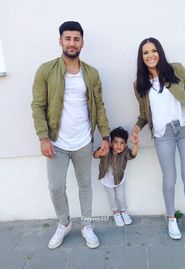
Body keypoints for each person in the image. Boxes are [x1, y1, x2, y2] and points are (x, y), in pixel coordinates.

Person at [31, 21, 110, 249]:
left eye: (76, 39)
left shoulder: (92, 73)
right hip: (56, 142)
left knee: (85, 184)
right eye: (68, 38)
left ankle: (87, 225)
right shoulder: (46, 70)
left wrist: (105, 136)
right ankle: (64, 223)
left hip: (84, 140)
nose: (72, 43)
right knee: (56, 186)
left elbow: (100, 106)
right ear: (60, 41)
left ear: (82, 43)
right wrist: (43, 137)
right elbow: (38, 106)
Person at [130, 37, 185, 240]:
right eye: (145, 53)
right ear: (141, 58)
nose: (150, 55)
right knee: (169, 178)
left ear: (159, 52)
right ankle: (171, 218)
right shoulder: (139, 85)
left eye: (154, 50)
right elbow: (144, 114)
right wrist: (136, 128)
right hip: (163, 134)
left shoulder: (176, 69)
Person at [93, 127, 138, 227]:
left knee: (120, 196)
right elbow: (95, 155)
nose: (119, 145)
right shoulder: (105, 149)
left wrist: (135, 144)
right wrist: (99, 152)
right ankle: (115, 212)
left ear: (125, 144)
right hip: (106, 180)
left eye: (122, 143)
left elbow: (133, 155)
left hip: (119, 179)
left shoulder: (125, 152)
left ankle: (123, 211)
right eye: (116, 142)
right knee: (111, 197)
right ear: (110, 143)